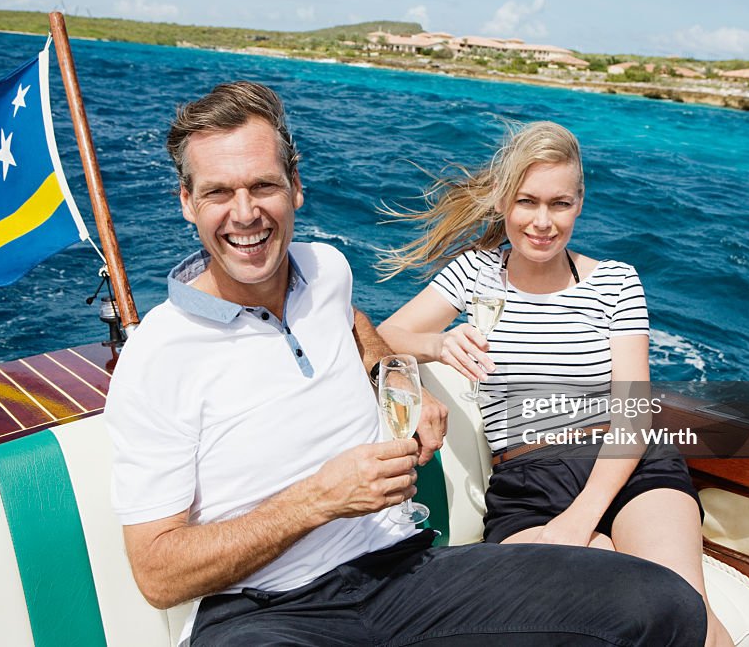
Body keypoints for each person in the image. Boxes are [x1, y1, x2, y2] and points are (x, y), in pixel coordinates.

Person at [104, 82, 707, 646]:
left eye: (263, 186)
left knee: (664, 603)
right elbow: (157, 573)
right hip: (268, 612)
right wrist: (319, 499)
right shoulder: (158, 357)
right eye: (217, 192)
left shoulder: (324, 271)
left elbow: (360, 326)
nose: (244, 213)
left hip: (404, 573)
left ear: (296, 185)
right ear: (187, 202)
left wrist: (397, 379)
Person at [377, 121, 734, 647]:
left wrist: (579, 519)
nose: (543, 222)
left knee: (686, 611)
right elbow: (384, 336)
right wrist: (438, 344)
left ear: (580, 204)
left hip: (627, 466)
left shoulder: (616, 281)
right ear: (503, 202)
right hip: (527, 484)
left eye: (559, 204)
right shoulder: (474, 273)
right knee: (595, 611)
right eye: (528, 202)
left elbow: (633, 416)